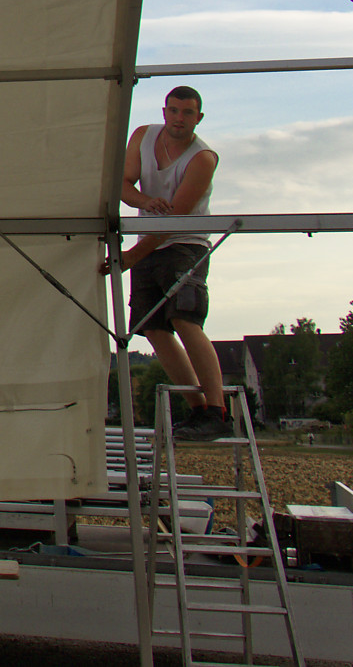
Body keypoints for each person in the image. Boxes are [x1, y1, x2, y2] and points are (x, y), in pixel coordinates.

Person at [110, 85, 228, 441]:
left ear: (198, 118)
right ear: (164, 113)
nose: (179, 119)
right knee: (152, 326)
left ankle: (217, 410)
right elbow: (121, 185)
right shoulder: (143, 137)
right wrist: (145, 200)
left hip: (184, 244)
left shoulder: (202, 158)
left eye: (187, 113)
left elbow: (175, 220)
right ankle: (197, 410)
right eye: (173, 111)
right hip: (150, 243)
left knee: (184, 317)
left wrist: (132, 256)